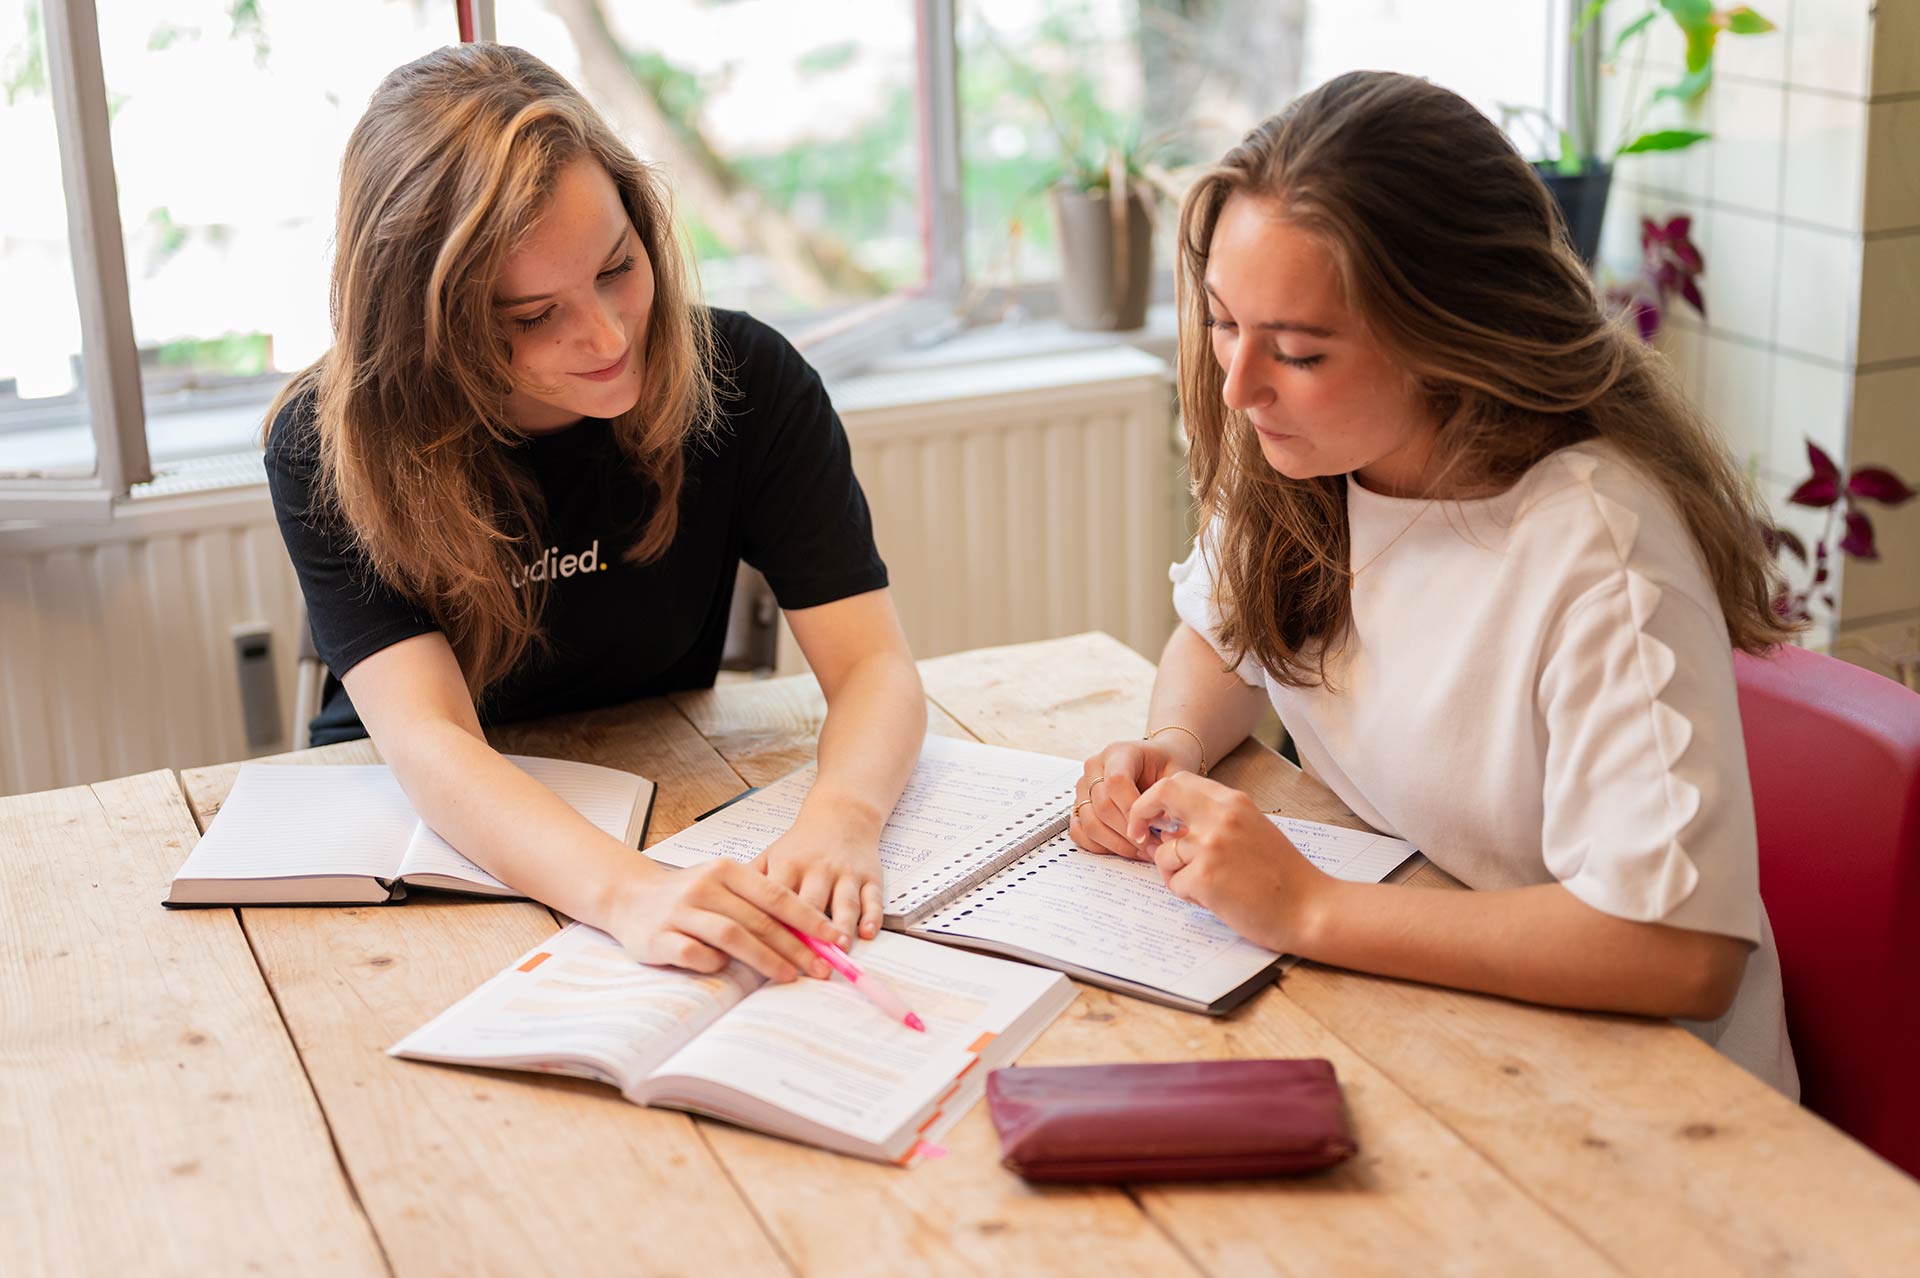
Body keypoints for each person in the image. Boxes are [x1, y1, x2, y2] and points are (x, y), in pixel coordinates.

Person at [1070, 71, 1798, 1095]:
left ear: (1449, 336)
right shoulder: (1320, 457)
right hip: (1445, 1008)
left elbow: (1681, 953)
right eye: (1226, 324)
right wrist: (1175, 744)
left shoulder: (1597, 552)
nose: (1239, 386)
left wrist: (1309, 907)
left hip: (1650, 1091)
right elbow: (1223, 637)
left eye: (1301, 351)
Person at [265, 44, 925, 983]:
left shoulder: (750, 380)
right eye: (534, 316)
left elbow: (873, 666)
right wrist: (628, 894)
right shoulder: (327, 441)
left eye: (618, 268)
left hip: (668, 799)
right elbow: (431, 742)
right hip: (417, 838)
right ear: (425, 322)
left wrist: (841, 820)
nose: (609, 336)